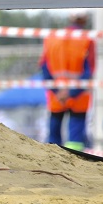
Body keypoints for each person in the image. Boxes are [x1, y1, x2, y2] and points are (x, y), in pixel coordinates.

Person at [39, 12, 95, 150]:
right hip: (79, 96)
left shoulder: (52, 38)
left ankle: (52, 165)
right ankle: (75, 166)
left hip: (56, 96)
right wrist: (71, 92)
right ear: (84, 20)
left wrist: (58, 92)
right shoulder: (87, 39)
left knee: (54, 137)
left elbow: (44, 67)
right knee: (75, 140)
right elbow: (89, 71)